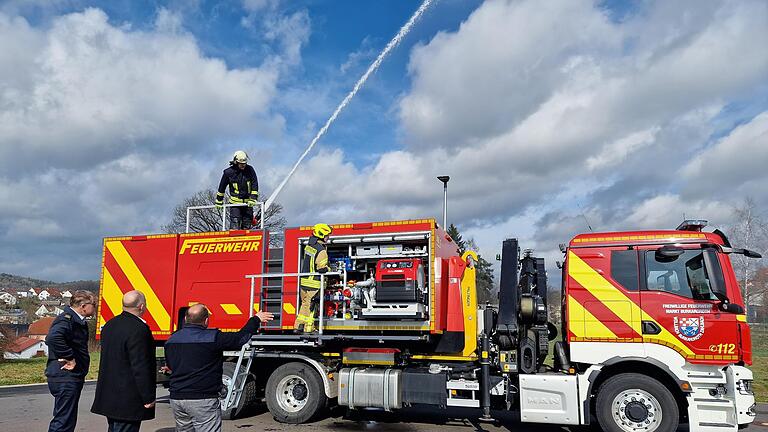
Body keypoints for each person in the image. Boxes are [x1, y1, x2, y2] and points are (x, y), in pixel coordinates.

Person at [165, 304, 274, 431]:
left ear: (185, 319)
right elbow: (241, 338)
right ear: (206, 321)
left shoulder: (171, 339)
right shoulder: (213, 337)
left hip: (177, 398)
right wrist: (255, 319)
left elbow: (171, 366)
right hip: (202, 398)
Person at [91, 290, 156, 432]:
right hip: (128, 397)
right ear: (141, 306)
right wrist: (148, 396)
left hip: (110, 393)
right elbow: (140, 365)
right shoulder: (139, 329)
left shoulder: (110, 325)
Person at [45, 290, 97, 432]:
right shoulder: (67, 319)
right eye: (94, 304)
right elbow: (52, 338)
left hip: (68, 377)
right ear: (84, 306)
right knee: (63, 422)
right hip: (65, 377)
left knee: (66, 420)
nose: (95, 307)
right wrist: (70, 357)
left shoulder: (76, 320)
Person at [294, 223, 333, 333]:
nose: (328, 237)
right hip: (313, 283)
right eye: (327, 235)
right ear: (321, 235)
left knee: (305, 304)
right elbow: (321, 269)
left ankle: (298, 326)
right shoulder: (321, 250)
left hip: (304, 281)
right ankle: (308, 328)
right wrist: (330, 269)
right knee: (311, 306)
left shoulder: (309, 246)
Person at [215, 150, 259, 230]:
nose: (243, 166)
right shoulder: (228, 173)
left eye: (244, 164)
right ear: (235, 162)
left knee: (247, 225)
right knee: (235, 224)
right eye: (241, 164)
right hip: (235, 204)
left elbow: (254, 184)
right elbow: (222, 187)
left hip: (248, 204)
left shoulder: (250, 170)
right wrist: (219, 201)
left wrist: (253, 198)